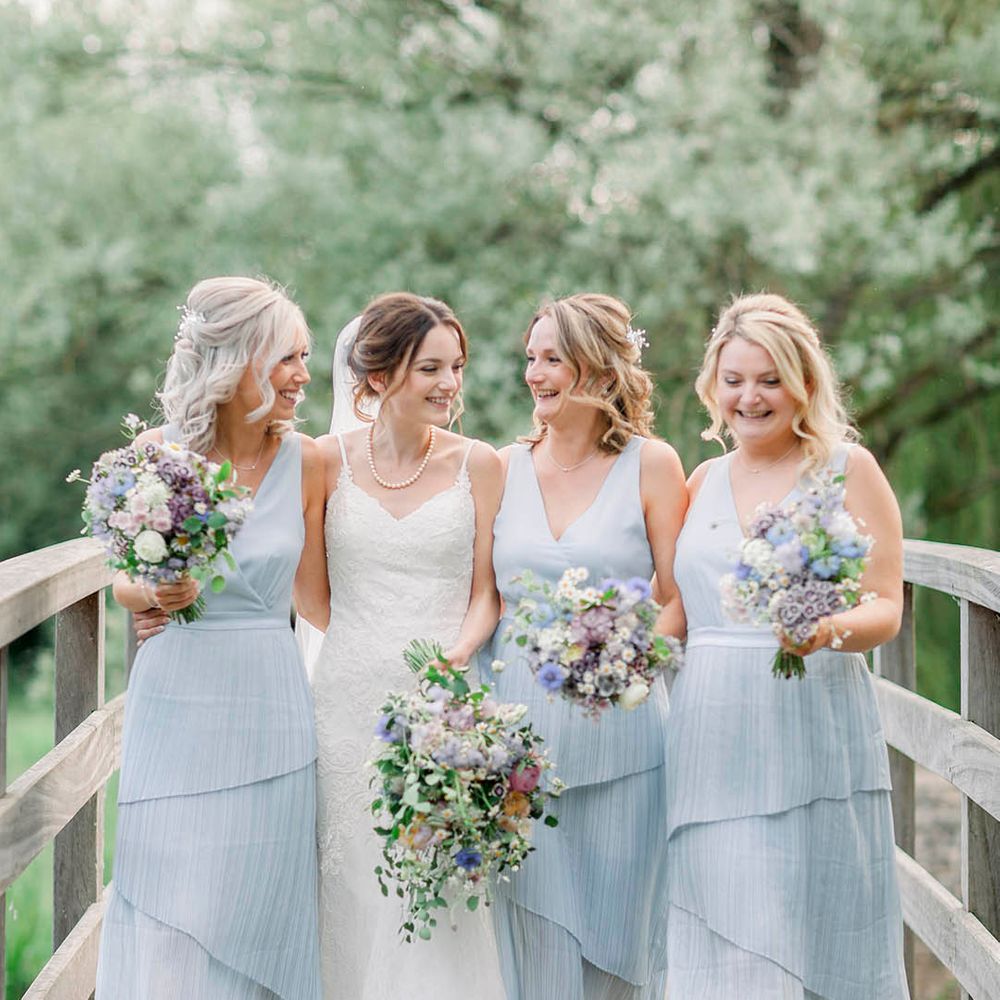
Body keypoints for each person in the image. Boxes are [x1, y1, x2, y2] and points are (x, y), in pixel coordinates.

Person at [664, 292, 910, 998]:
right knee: (719, 928)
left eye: (770, 379)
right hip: (708, 738)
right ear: (714, 385)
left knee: (798, 928)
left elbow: (885, 606)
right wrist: (604, 657)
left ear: (804, 383)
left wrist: (825, 630)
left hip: (809, 730)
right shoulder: (702, 479)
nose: (750, 397)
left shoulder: (846, 468)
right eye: (735, 379)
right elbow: (680, 609)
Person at [97, 276, 328, 1000]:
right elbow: (121, 583)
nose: (302, 375)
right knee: (174, 907)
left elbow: (323, 597)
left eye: (305, 357)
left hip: (270, 699)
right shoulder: (156, 454)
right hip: (178, 703)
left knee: (258, 908)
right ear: (236, 364)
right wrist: (157, 590)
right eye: (287, 357)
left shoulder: (311, 461)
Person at [480, 293, 688, 1000]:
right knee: (531, 949)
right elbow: (483, 596)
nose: (535, 374)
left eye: (553, 360)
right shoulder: (500, 469)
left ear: (600, 372)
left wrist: (625, 660)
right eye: (530, 358)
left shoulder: (652, 464)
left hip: (625, 737)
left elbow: (678, 592)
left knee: (619, 950)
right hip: (521, 745)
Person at [311, 292, 508, 999]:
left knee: (436, 883)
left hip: (445, 699)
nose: (451, 383)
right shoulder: (322, 462)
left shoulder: (479, 464)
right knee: (355, 882)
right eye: (431, 368)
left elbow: (487, 590)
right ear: (378, 375)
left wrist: (458, 655)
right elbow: (311, 593)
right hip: (348, 699)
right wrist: (370, 641)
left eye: (457, 366)